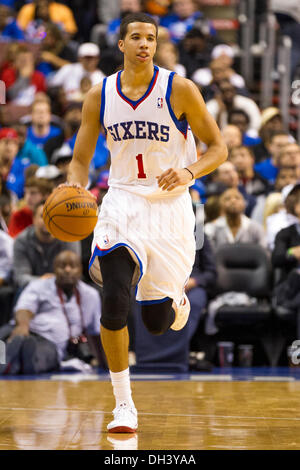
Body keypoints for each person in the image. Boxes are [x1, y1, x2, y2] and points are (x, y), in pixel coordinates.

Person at [64, 12, 227, 433]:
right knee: (115, 296)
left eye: (151, 38)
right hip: (121, 200)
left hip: (171, 207)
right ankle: (124, 405)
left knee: (155, 323)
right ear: (120, 44)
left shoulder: (180, 88)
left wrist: (190, 173)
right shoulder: (99, 94)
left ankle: (176, 300)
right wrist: (73, 189)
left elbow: (218, 149)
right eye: (136, 36)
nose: (144, 44)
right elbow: (81, 159)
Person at [0, 250, 101, 375]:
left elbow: (95, 332)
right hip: (22, 330)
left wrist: (104, 363)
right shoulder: (39, 285)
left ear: (80, 269)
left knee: (37, 351)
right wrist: (22, 326)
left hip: (49, 342)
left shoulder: (91, 295)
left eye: (72, 266)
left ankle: (14, 361)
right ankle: (11, 360)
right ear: (54, 269)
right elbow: (24, 308)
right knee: (5, 335)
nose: (67, 270)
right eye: (62, 266)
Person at [13, 200, 81, 289]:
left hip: (63, 287)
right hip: (33, 289)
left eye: (52, 215)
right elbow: (20, 278)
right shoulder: (22, 240)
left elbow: (75, 273)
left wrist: (52, 282)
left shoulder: (69, 238)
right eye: (42, 216)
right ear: (34, 219)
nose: (47, 219)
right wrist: (44, 281)